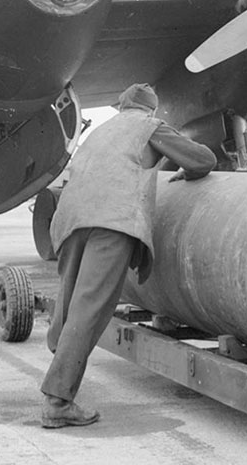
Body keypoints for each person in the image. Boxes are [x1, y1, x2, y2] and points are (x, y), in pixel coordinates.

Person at [40, 83, 216, 428]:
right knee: (90, 310)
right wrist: (188, 171)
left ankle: (60, 349)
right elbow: (203, 159)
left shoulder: (102, 131)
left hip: (70, 218)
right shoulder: (149, 127)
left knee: (71, 299)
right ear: (150, 110)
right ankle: (58, 401)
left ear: (121, 106)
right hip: (112, 221)